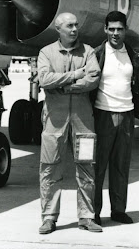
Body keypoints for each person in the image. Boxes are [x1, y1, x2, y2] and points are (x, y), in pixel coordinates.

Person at [37, 12, 102, 234]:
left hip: (82, 120)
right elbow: (44, 80)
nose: (74, 29)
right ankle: (48, 217)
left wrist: (66, 87)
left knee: (86, 167)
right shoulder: (46, 53)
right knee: (50, 167)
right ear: (59, 30)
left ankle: (86, 216)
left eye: (76, 25)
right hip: (55, 119)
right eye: (69, 26)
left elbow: (93, 78)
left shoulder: (88, 52)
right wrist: (75, 75)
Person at [91, 11, 139, 225]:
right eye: (111, 29)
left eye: (119, 29)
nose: (115, 33)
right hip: (103, 114)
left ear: (125, 30)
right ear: (105, 30)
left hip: (127, 115)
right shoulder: (97, 54)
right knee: (98, 166)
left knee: (121, 165)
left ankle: (118, 210)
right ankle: (93, 212)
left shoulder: (132, 55)